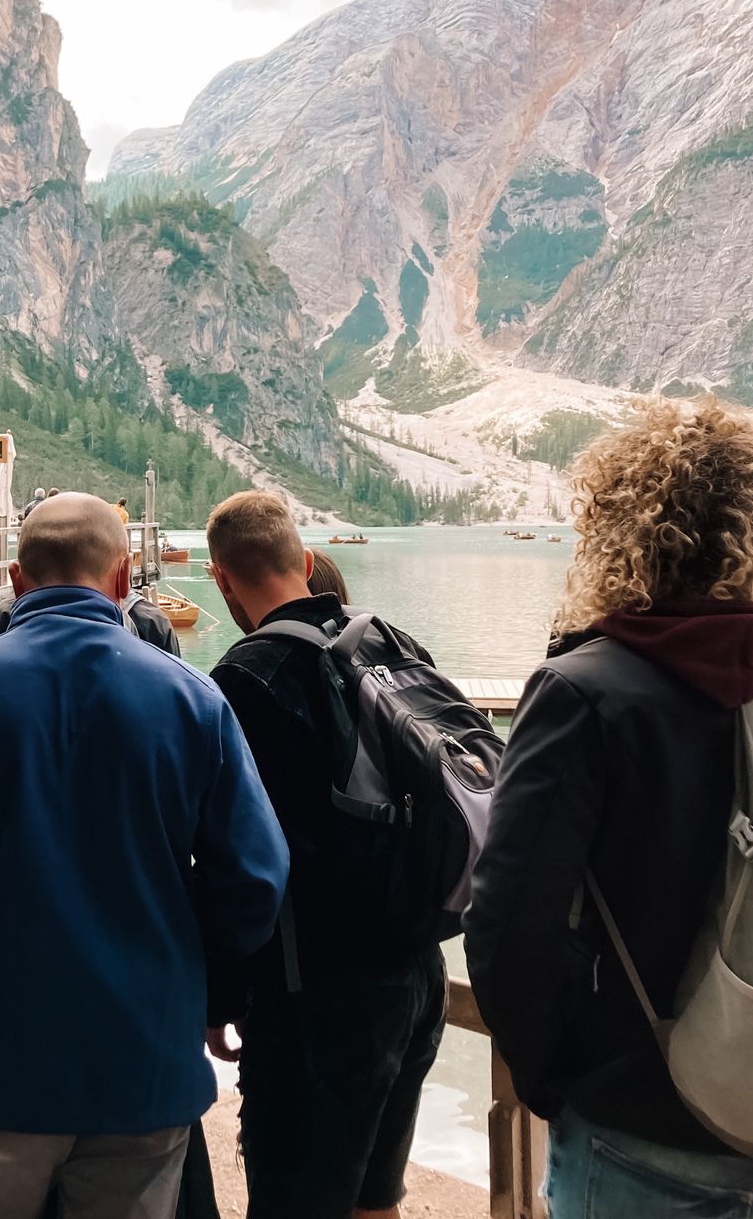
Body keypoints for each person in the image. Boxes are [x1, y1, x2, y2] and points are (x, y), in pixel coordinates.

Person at [463, 399, 753, 1219]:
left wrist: (569, 1085)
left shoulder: (588, 692)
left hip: (663, 1141)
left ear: (625, 534)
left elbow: (512, 926)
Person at [0, 493, 289, 1219]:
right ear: (123, 580)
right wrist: (185, 954)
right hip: (143, 1066)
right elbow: (254, 883)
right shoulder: (194, 701)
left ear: (17, 582)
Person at [203, 491, 445, 1219]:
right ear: (305, 562)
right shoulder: (394, 644)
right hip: (417, 975)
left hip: (317, 998)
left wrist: (221, 995)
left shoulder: (247, 679)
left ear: (220, 581)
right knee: (375, 1199)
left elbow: (237, 860)